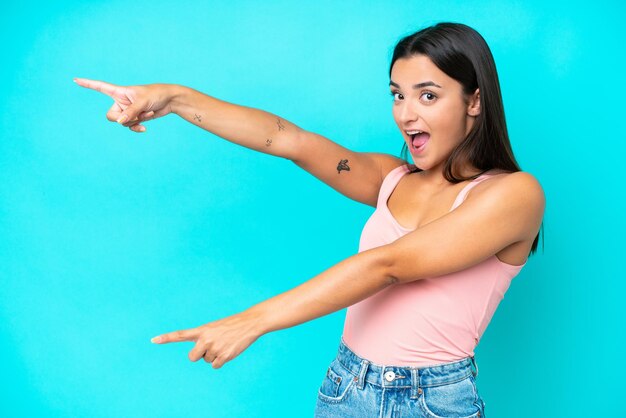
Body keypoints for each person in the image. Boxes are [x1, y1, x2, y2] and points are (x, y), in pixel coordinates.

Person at [75, 21, 545, 417]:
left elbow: (389, 265)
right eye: (397, 95)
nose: (405, 113)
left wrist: (253, 320)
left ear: (474, 101)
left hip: (429, 401)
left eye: (428, 95)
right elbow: (289, 141)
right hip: (345, 386)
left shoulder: (514, 196)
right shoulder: (391, 178)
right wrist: (174, 98)